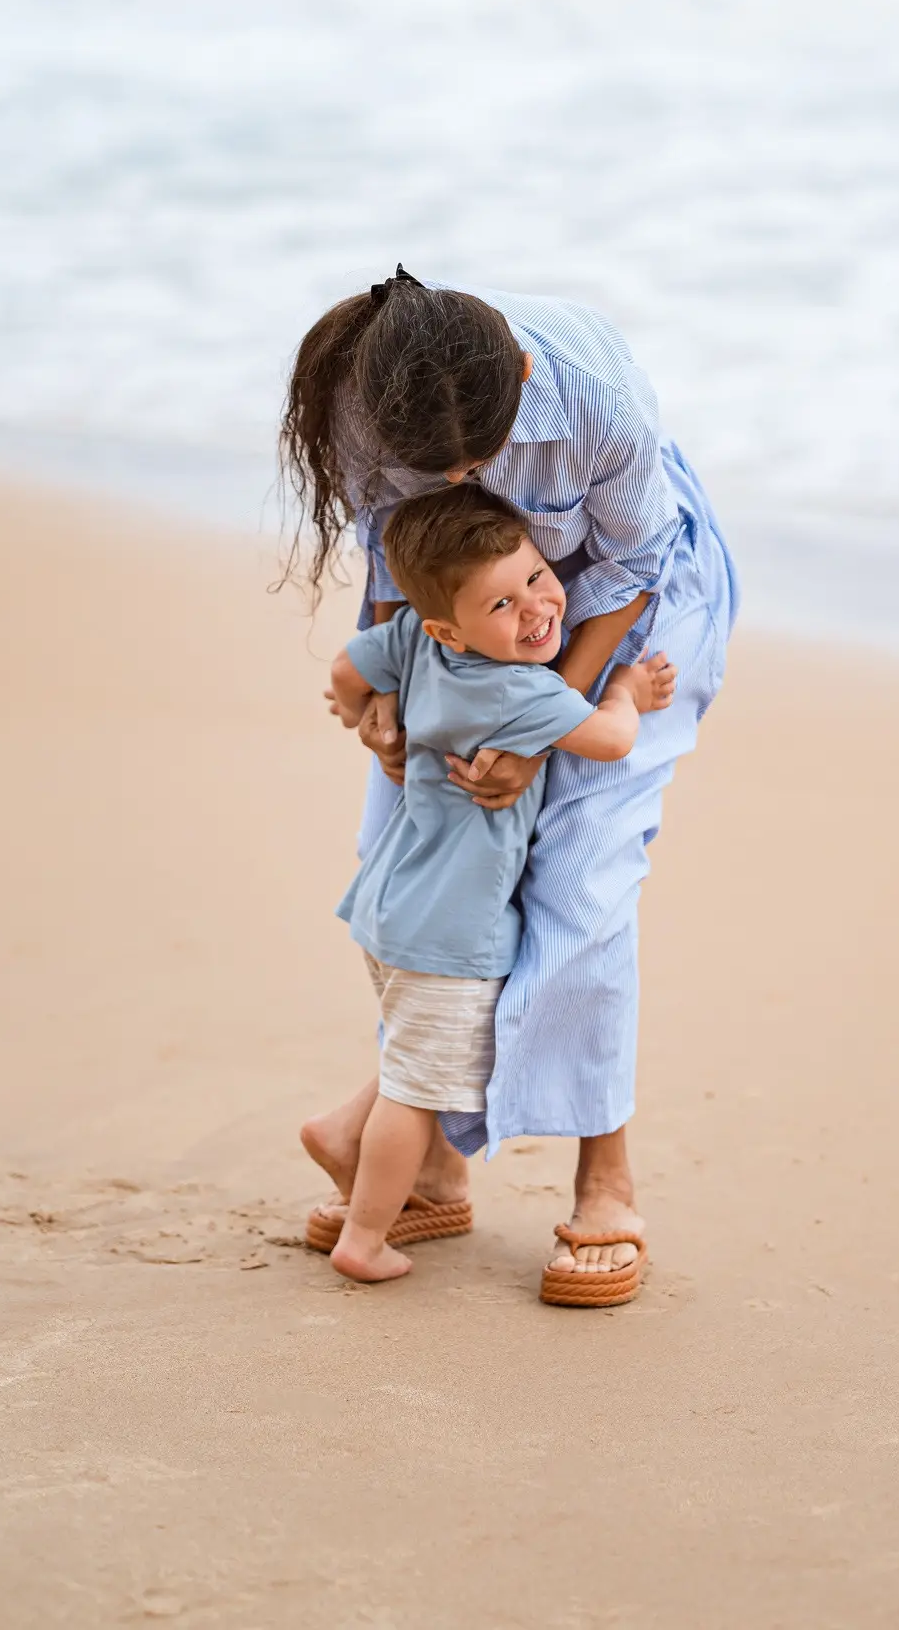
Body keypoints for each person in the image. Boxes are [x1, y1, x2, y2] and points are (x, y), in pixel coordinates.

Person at [286, 268, 738, 1302]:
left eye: (476, 462)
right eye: (426, 467)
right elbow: (399, 569)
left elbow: (632, 569)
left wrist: (539, 725)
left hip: (623, 621)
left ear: (525, 378)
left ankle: (604, 1178)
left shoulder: (588, 389)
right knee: (418, 867)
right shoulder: (369, 407)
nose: (453, 478)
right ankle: (430, 1155)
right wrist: (389, 702)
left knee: (577, 882)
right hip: (457, 626)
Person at [321, 483, 673, 1295]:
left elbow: (345, 668)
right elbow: (612, 740)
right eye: (502, 604)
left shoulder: (412, 636)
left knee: (415, 1053)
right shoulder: (519, 690)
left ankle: (343, 1136)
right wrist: (624, 691)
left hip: (388, 903)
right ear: (452, 626)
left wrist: (368, 719)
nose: (538, 610)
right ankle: (365, 1236)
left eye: (539, 576)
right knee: (416, 1091)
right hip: (451, 934)